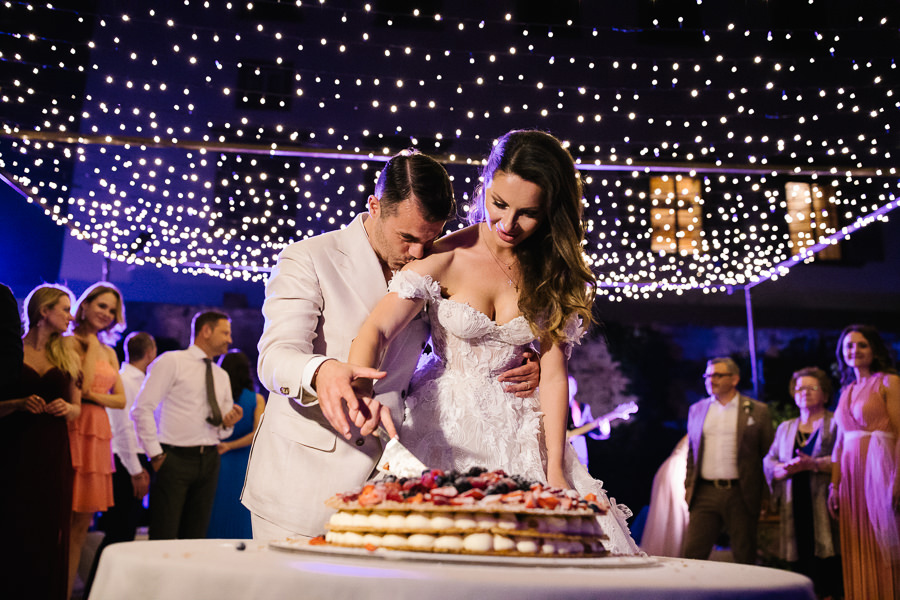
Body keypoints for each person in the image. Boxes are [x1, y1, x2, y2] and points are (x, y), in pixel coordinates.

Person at [345, 129, 638, 554]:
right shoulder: (445, 255)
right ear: (485, 183)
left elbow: (555, 378)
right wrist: (360, 388)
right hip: (445, 427)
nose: (507, 224)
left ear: (551, 210)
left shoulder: (555, 274)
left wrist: (554, 466)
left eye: (527, 213)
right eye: (498, 203)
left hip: (527, 433)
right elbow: (377, 329)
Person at [243, 148, 539, 542]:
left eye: (429, 239)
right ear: (375, 206)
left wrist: (522, 355)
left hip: (390, 478)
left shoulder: (432, 263)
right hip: (303, 482)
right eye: (408, 238)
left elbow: (471, 329)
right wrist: (322, 370)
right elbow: (274, 357)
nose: (418, 252)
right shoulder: (309, 258)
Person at [0, 284, 81, 600]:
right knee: (12, 521)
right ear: (43, 311)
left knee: (48, 526)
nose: (69, 316)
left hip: (52, 449)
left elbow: (76, 409)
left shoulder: (67, 354)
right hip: (14, 447)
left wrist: (66, 408)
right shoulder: (11, 351)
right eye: (63, 308)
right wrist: (18, 404)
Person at [132, 311, 243, 539]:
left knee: (195, 536)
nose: (230, 340)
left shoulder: (221, 375)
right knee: (164, 534)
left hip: (210, 459)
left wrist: (228, 423)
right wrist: (156, 455)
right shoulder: (172, 361)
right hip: (174, 459)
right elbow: (142, 409)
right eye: (225, 333)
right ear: (206, 331)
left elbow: (222, 428)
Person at [82, 331, 157, 598]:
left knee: (122, 530)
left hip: (126, 457)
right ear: (150, 352)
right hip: (125, 459)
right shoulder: (129, 381)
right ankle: (99, 590)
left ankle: (106, 590)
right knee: (119, 532)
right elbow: (123, 426)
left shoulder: (134, 379)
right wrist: (136, 469)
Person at [828, 324, 900, 598]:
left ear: (874, 350)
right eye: (848, 345)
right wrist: (834, 486)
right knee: (856, 543)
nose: (854, 350)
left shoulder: (888, 382)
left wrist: (898, 478)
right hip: (850, 477)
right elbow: (838, 444)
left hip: (880, 471)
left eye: (862, 345)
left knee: (884, 545)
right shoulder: (846, 390)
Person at [683, 357, 774, 564]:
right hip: (705, 493)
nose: (710, 380)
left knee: (745, 555)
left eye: (717, 375)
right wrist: (688, 485)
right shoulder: (697, 410)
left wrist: (766, 496)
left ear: (734, 379)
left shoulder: (758, 411)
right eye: (707, 375)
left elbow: (767, 455)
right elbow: (691, 452)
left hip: (741, 492)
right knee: (693, 553)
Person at [68, 282, 127, 598]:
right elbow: (85, 381)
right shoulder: (67, 342)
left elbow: (121, 400)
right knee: (60, 518)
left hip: (98, 430)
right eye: (102, 305)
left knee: (81, 526)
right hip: (73, 426)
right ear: (86, 304)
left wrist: (91, 396)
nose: (107, 313)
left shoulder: (108, 350)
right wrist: (92, 393)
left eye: (112, 310)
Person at [763, 367, 841, 598]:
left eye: (812, 387)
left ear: (825, 395)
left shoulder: (837, 422)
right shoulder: (785, 427)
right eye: (799, 388)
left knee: (828, 556)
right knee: (801, 553)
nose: (804, 392)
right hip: (794, 499)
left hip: (826, 501)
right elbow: (769, 460)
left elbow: (846, 458)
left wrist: (814, 464)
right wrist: (781, 469)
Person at [207, 349, 265, 539]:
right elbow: (258, 434)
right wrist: (232, 447)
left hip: (218, 457)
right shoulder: (256, 399)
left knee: (216, 507)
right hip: (244, 463)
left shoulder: (216, 398)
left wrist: (225, 445)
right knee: (241, 510)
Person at [641, 435, 690, 557]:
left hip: (673, 468)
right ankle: (672, 552)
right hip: (678, 471)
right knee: (675, 514)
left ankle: (674, 551)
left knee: (671, 514)